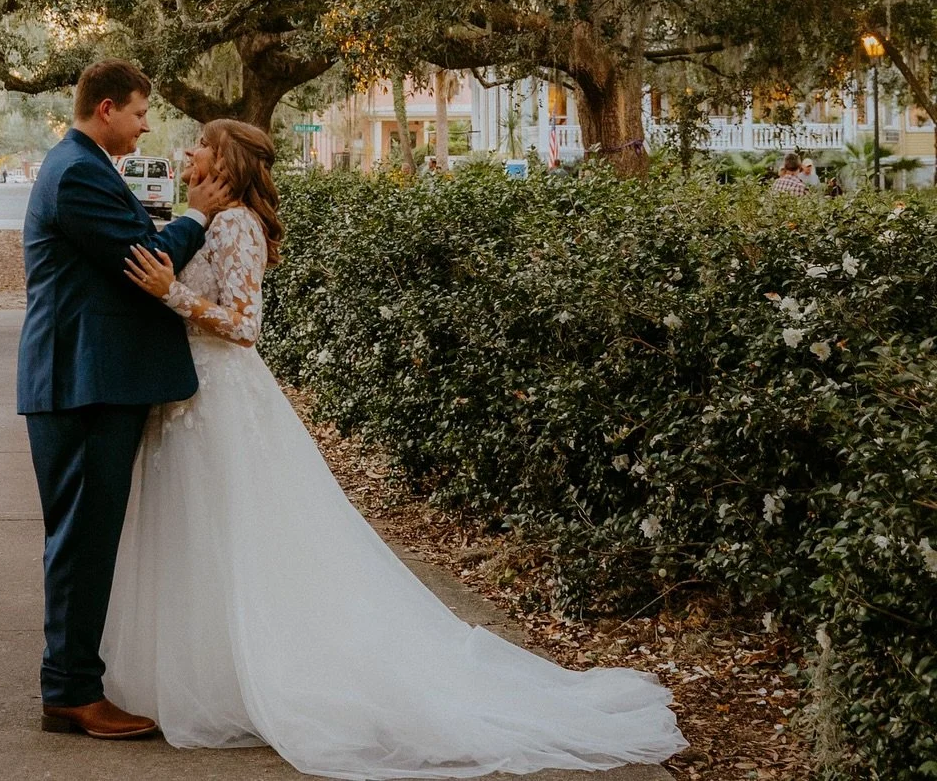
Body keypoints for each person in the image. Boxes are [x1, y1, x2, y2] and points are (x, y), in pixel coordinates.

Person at [108, 118, 686, 777]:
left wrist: (172, 293)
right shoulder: (212, 220)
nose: (190, 150)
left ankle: (253, 678)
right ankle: (208, 675)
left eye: (202, 144)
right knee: (200, 537)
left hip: (222, 397)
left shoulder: (237, 224)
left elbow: (244, 326)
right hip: (192, 396)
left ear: (225, 161)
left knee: (238, 536)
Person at [17, 60, 233, 741]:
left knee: (85, 536)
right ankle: (71, 692)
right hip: (83, 382)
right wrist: (199, 215)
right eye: (140, 113)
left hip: (89, 378)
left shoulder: (83, 165)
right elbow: (144, 261)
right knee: (83, 540)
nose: (146, 126)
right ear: (107, 108)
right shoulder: (77, 172)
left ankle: (73, 683)